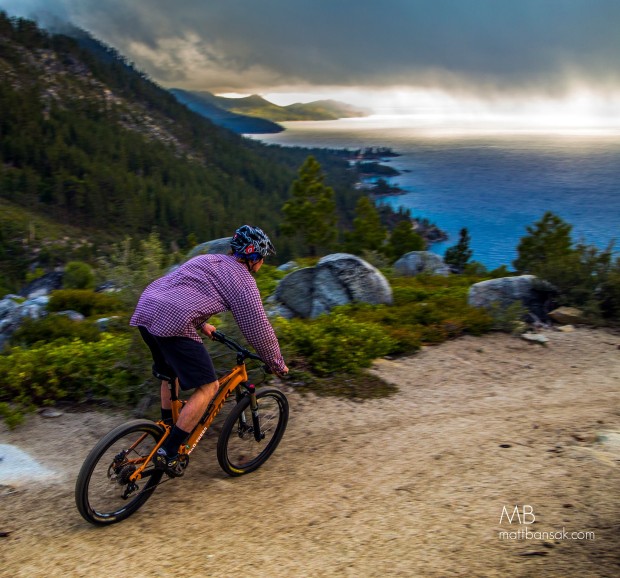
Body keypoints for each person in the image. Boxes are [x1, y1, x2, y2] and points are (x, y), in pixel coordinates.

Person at [130, 225, 288, 477]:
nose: (262, 263)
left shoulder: (208, 259)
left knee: (170, 374)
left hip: (147, 310)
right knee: (209, 387)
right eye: (262, 258)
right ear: (254, 257)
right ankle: (169, 452)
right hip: (173, 322)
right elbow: (258, 328)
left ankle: (167, 429)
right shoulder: (243, 281)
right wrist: (276, 363)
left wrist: (202, 324)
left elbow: (181, 290)